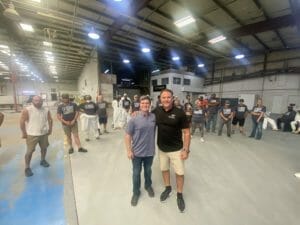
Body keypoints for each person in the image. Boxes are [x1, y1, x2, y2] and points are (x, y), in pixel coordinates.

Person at [152, 89, 191, 213]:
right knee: (164, 169)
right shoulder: (156, 111)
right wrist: (136, 113)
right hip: (162, 149)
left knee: (179, 173)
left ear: (172, 98)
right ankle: (168, 188)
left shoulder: (180, 113)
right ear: (160, 99)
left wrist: (186, 149)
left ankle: (179, 194)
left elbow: (186, 132)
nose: (166, 100)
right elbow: (146, 116)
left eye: (168, 97)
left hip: (176, 150)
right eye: (164, 97)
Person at [125, 95, 156, 206]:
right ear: (139, 105)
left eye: (147, 103)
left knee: (148, 171)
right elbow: (127, 136)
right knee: (136, 173)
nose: (145, 105)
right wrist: (129, 151)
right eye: (143, 103)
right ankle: (136, 192)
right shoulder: (134, 118)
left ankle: (148, 186)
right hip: (137, 152)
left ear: (150, 105)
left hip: (150, 152)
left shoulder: (153, 117)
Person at [20, 95, 53, 177]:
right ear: (32, 101)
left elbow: (50, 119)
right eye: (36, 101)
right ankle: (27, 167)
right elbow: (22, 121)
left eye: (40, 101)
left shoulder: (46, 110)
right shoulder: (27, 110)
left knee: (44, 148)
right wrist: (24, 133)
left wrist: (50, 129)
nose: (39, 102)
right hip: (31, 134)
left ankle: (42, 160)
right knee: (29, 151)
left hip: (43, 134)